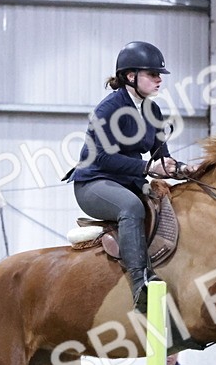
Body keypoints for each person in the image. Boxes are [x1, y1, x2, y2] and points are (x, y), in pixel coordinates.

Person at [71, 40, 182, 313]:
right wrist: (147, 169)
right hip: (94, 183)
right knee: (131, 207)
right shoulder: (108, 109)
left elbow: (160, 156)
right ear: (131, 76)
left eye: (159, 75)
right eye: (152, 74)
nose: (159, 80)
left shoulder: (153, 110)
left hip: (128, 182)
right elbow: (102, 158)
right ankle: (140, 284)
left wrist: (179, 168)